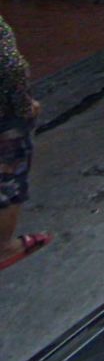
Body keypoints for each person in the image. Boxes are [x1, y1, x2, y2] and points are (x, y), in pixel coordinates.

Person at [0, 16, 51, 271]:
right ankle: (5, 247)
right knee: (10, 180)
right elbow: (13, 67)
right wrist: (25, 106)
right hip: (6, 118)